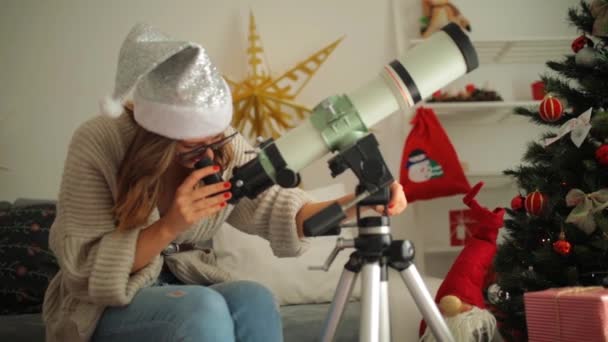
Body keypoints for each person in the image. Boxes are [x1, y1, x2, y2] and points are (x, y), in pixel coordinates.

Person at [42, 23, 407, 342]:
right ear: (157, 132)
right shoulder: (100, 141)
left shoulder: (221, 141)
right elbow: (83, 270)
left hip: (187, 284)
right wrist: (170, 227)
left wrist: (356, 204)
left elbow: (276, 206)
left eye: (215, 138)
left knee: (255, 298)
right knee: (202, 309)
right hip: (101, 305)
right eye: (193, 144)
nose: (210, 152)